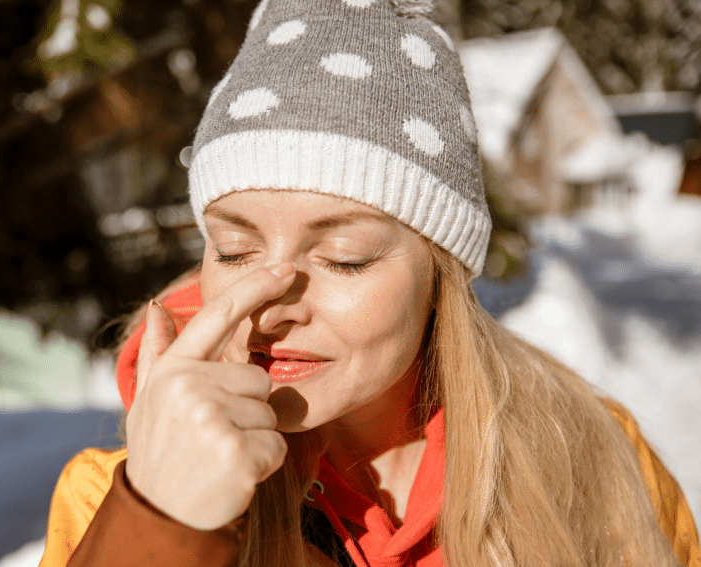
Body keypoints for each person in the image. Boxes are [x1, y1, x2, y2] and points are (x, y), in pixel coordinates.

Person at [39, 0, 701, 565]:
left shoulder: (593, 462)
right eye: (235, 249)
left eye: (344, 256)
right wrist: (163, 523)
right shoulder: (112, 498)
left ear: (442, 274)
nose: (269, 308)